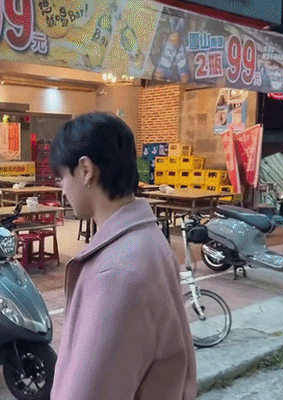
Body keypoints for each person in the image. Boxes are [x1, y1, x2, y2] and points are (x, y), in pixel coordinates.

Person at [49, 112, 196, 400]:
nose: (62, 189)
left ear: (86, 170)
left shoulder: (116, 274)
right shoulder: (148, 240)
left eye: (62, 178)